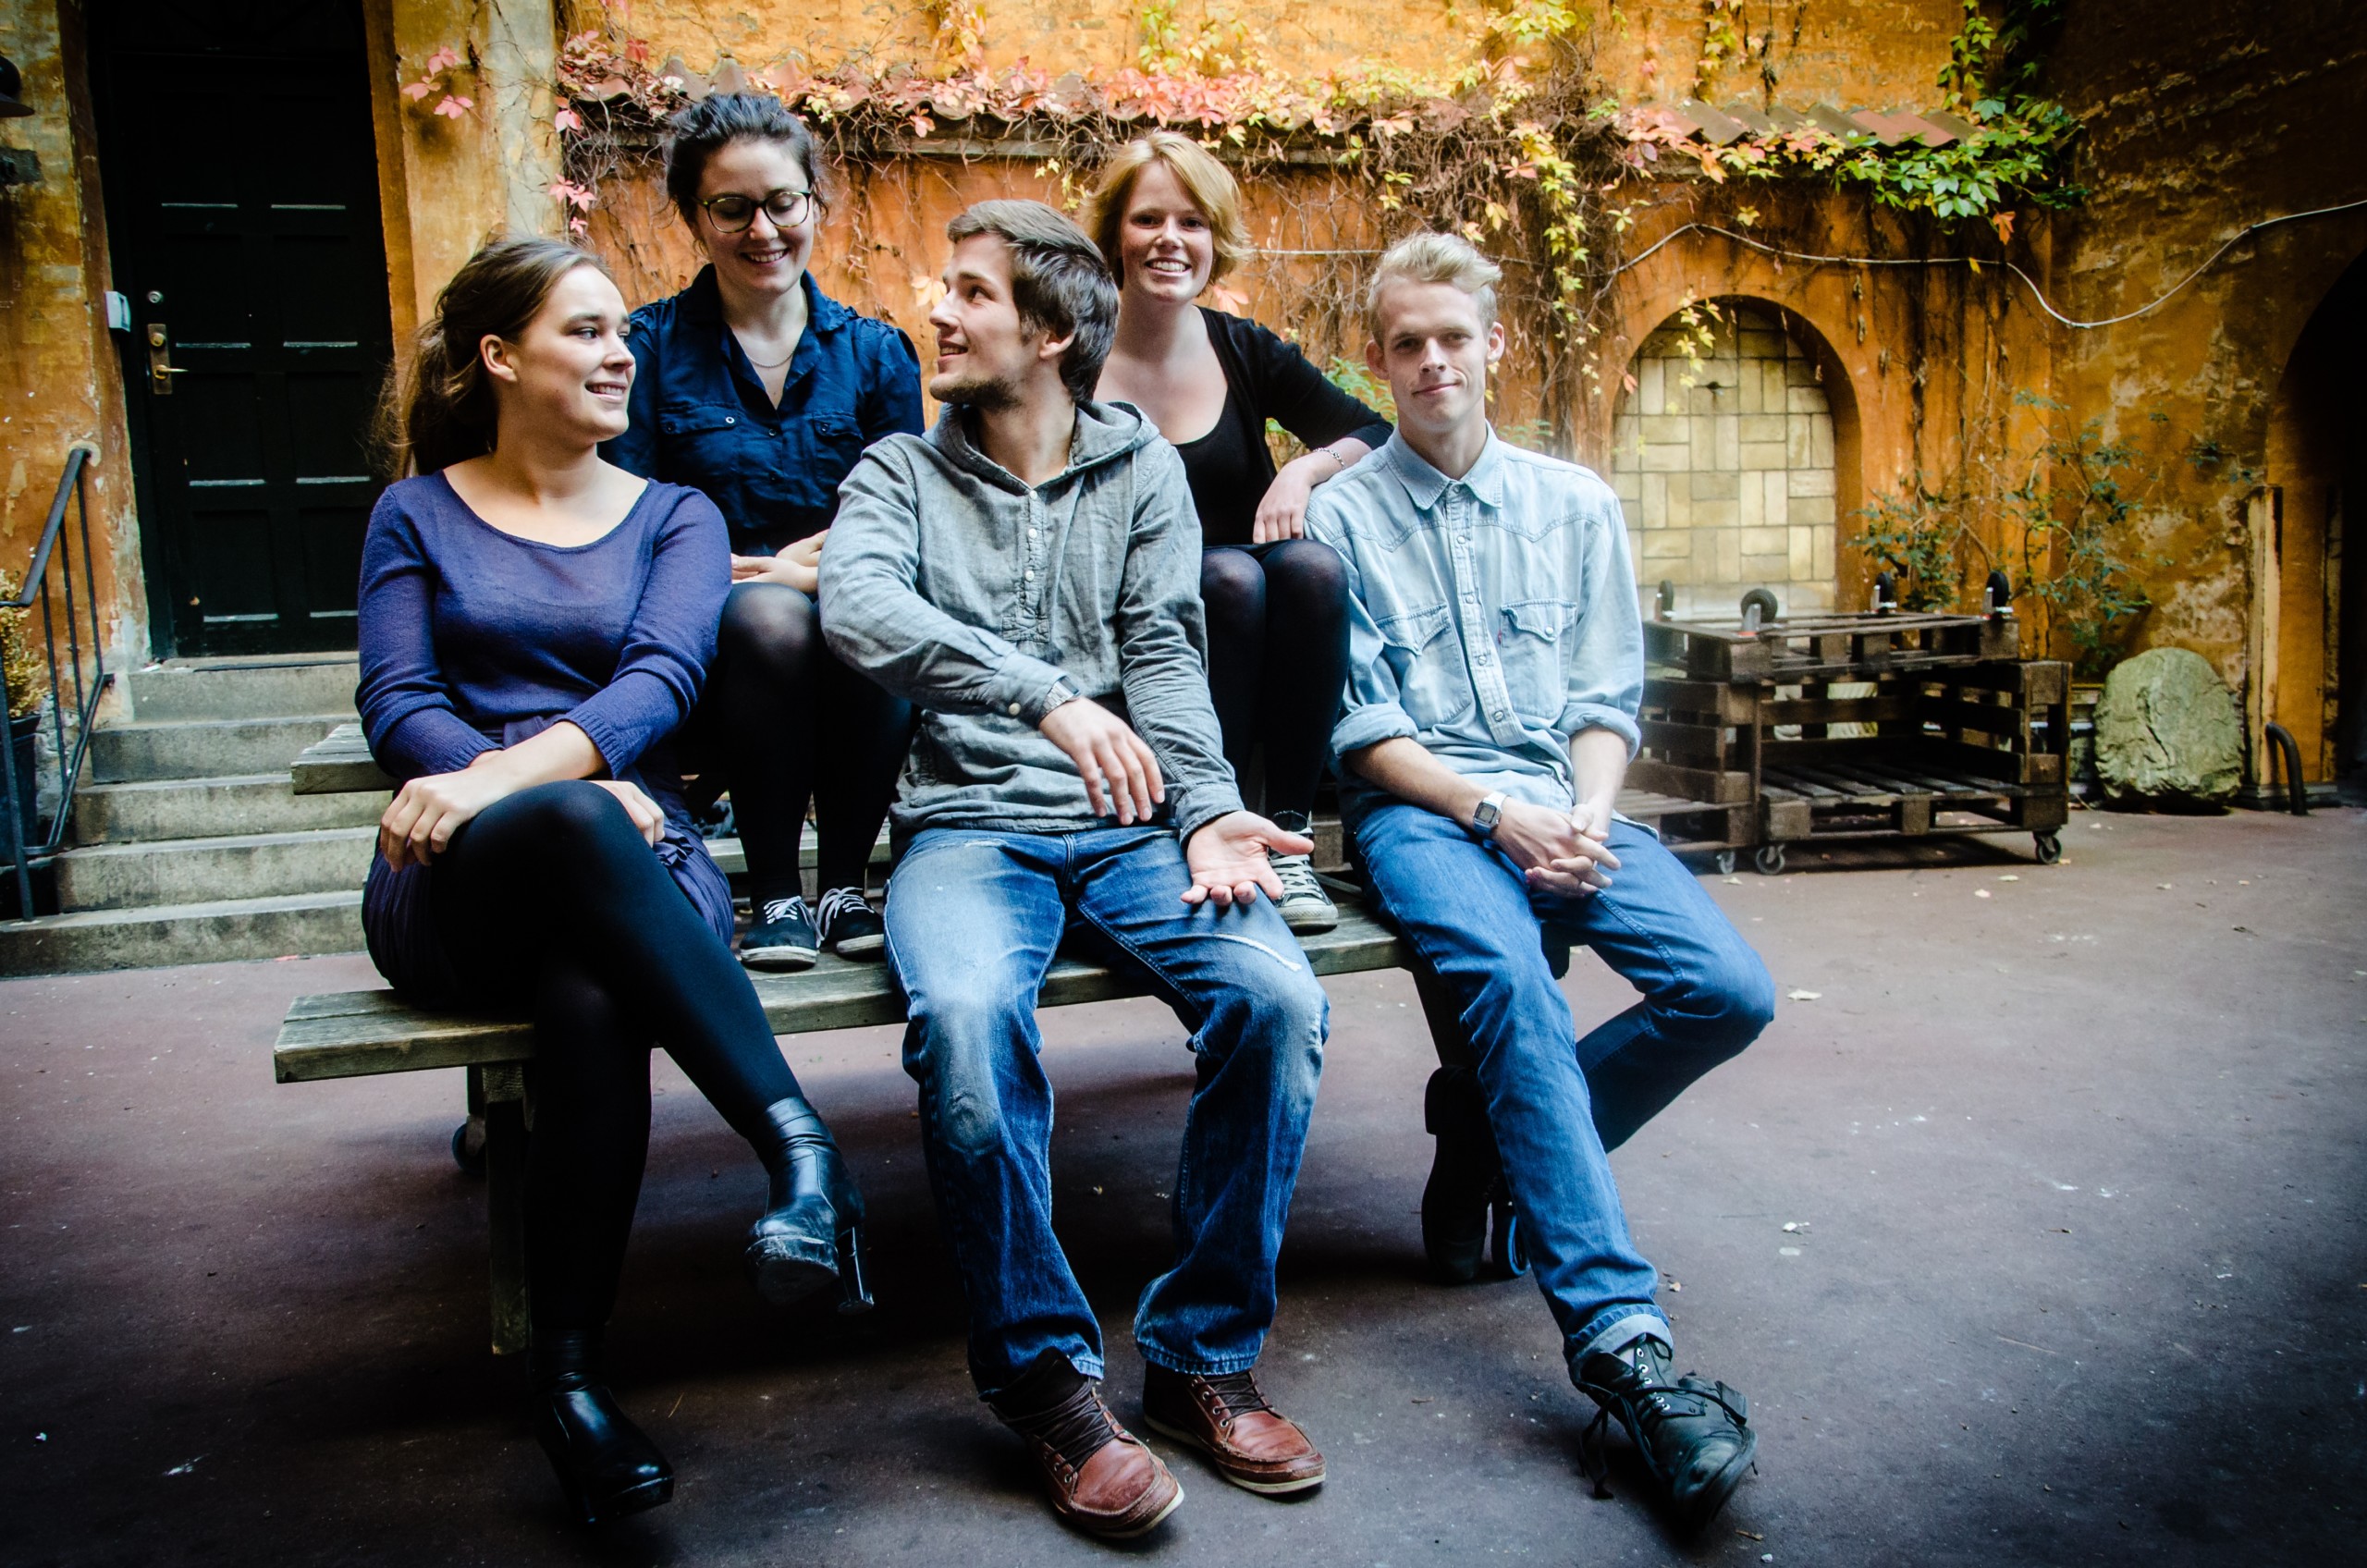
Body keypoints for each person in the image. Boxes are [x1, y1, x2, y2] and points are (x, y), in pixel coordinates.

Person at [820, 200, 1331, 1540]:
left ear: (1045, 332)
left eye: (969, 292)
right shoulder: (895, 477)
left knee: (1277, 999)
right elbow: (860, 609)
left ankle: (1201, 1358)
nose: (936, 308)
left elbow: (1165, 654)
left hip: (1136, 825)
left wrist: (1212, 811)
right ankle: (1049, 1387)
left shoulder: (1141, 469)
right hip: (969, 832)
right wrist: (1047, 696)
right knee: (973, 1030)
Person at [358, 237, 869, 1526]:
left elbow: (662, 683)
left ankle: (571, 1385)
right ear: (500, 356)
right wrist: (518, 789)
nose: (618, 353)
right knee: (581, 829)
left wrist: (539, 780)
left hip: (643, 861)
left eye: (618, 334)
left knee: (592, 992)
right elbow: (399, 701)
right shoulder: (413, 513)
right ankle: (803, 1156)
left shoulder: (674, 514)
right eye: (583, 332)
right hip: (460, 871)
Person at [1305, 232, 1776, 1532]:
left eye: (1454, 337)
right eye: (1407, 344)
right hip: (1423, 813)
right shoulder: (1341, 519)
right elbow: (1364, 731)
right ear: (1380, 359)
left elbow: (1606, 697)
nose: (1433, 361)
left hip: (1566, 797)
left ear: (1494, 344)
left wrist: (1584, 814)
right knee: (1512, 992)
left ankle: (1490, 1142)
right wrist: (1497, 815)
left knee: (1729, 991)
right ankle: (1626, 1349)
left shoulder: (1575, 502)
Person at [606, 92, 924, 968]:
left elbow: (904, 517)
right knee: (769, 620)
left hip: (851, 620)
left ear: (814, 202)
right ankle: (778, 888)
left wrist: (820, 574)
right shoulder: (648, 351)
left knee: (863, 616)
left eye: (783, 203)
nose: (763, 229)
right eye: (731, 208)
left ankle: (845, 887)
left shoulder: (875, 353)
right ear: (694, 216)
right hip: (707, 637)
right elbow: (626, 518)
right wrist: (741, 577)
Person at [1085, 133, 1391, 936]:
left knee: (1311, 569)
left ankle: (1286, 836)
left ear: (1214, 239)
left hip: (1249, 614)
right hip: (1132, 618)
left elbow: (1370, 429)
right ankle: (1203, 820)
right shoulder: (1073, 357)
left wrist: (1302, 470)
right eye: (1148, 218)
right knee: (1228, 576)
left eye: (1191, 222)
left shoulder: (1243, 348)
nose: (1169, 240)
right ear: (1114, 232)